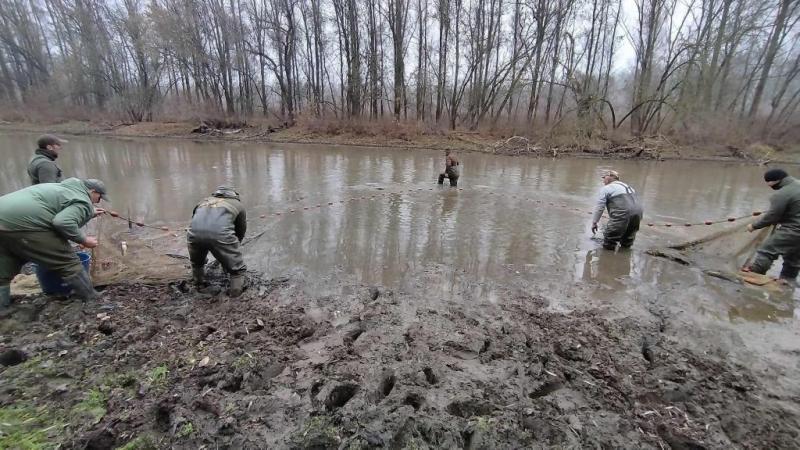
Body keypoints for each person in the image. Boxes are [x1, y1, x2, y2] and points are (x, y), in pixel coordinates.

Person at [0, 178, 108, 308]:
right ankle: (92, 298)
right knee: (68, 262)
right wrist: (84, 240)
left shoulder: (64, 188)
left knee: (6, 264)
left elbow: (57, 208)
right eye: (99, 197)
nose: (98, 201)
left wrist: (89, 213)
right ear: (93, 191)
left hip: (4, 220)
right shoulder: (83, 200)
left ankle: (3, 309)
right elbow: (62, 222)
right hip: (25, 225)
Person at [187, 186, 247, 297]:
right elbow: (240, 230)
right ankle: (235, 293)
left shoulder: (203, 202)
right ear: (234, 195)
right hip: (221, 236)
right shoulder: (238, 205)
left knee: (197, 263)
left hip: (193, 235)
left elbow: (195, 220)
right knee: (238, 270)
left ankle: (199, 285)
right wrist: (234, 249)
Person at [744, 169, 800, 283]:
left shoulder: (782, 193)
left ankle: (755, 277)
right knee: (793, 259)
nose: (768, 185)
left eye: (768, 182)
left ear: (776, 181)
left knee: (767, 251)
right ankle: (787, 284)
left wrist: (754, 226)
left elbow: (772, 216)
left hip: (793, 230)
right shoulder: (797, 184)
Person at [591, 170, 643, 250]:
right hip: (638, 213)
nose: (603, 181)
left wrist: (594, 222)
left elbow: (600, 207)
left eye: (604, 178)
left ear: (608, 178)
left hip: (622, 213)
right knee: (627, 242)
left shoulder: (606, 188)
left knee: (610, 241)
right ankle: (624, 259)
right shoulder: (629, 187)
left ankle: (607, 259)